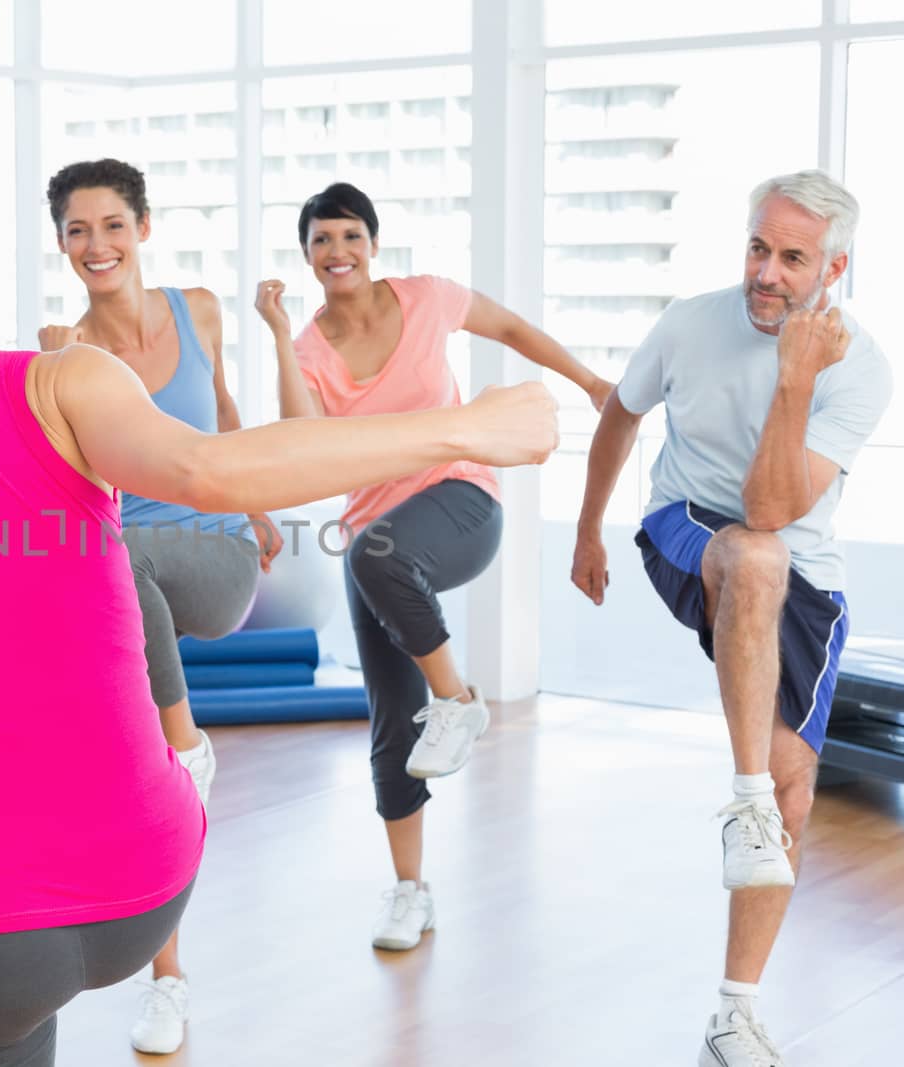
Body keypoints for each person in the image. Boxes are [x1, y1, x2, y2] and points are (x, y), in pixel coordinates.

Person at [0, 152, 559, 1067]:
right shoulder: (63, 382)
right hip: (148, 873)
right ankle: (182, 778)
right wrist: (464, 426)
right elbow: (211, 470)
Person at [570, 170, 891, 1067]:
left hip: (802, 569)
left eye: (792, 258)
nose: (766, 273)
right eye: (758, 247)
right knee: (751, 556)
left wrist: (795, 374)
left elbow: (778, 502)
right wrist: (589, 527)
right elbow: (620, 417)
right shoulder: (687, 323)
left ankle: (734, 1012)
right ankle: (743, 802)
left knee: (798, 786)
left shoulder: (860, 368)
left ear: (833, 269)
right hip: (689, 528)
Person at [255, 181, 612, 952]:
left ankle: (459, 698)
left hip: (460, 501)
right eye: (321, 240)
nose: (337, 252)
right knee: (393, 720)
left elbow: (511, 326)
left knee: (376, 557)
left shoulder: (427, 299)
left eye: (350, 236)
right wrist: (281, 337)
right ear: (308, 254)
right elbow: (299, 436)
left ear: (374, 244)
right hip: (375, 542)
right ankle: (410, 889)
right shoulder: (313, 347)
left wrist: (588, 382)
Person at [39, 157, 281, 1055]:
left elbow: (218, 412)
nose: (94, 245)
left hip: (213, 555)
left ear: (142, 228)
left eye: (110, 225)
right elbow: (68, 476)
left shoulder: (200, 309)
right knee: (141, 795)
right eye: (76, 230)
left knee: (117, 553)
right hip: (119, 588)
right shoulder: (61, 345)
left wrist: (256, 504)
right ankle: (167, 980)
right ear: (61, 243)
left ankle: (187, 736)